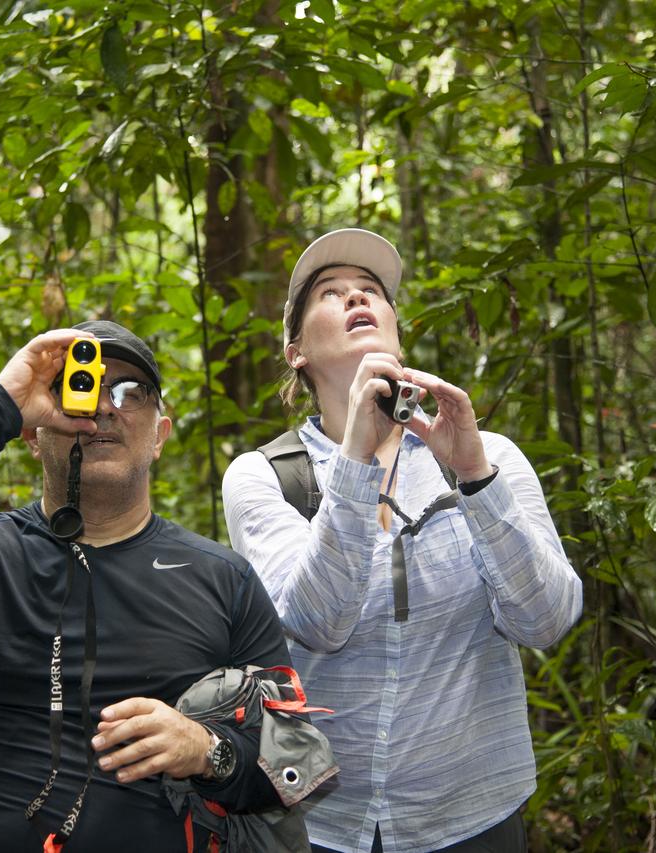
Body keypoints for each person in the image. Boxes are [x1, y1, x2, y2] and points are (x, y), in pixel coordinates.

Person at [0, 320, 302, 852]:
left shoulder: (222, 578)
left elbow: (288, 762)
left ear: (160, 436)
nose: (105, 407)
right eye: (82, 388)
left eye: (131, 391)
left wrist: (207, 749)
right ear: (34, 436)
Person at [222, 228, 584, 853]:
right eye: (331, 294)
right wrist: (356, 460)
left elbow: (546, 620)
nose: (357, 298)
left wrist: (475, 478)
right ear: (295, 351)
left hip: (476, 812)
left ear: (394, 324)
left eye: (371, 292)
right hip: (325, 823)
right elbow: (319, 621)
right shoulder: (264, 476)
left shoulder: (486, 454)